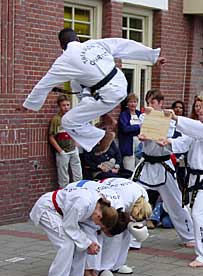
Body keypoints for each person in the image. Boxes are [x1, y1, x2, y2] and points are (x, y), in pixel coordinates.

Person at [23, 28, 165, 153]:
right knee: (76, 82)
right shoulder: (93, 44)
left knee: (68, 121)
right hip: (120, 82)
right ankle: (103, 115)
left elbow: (44, 83)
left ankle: (103, 135)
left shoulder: (65, 59)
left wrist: (28, 105)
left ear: (61, 46)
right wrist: (152, 57)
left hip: (108, 94)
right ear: (78, 39)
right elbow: (123, 44)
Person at [164, 98, 203, 267]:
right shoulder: (196, 130)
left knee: (198, 215)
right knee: (198, 213)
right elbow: (182, 143)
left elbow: (197, 129)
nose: (200, 110)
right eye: (199, 108)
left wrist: (176, 118)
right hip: (194, 177)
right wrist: (165, 142)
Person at [133, 89, 195, 247]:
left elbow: (177, 142)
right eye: (148, 103)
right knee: (135, 198)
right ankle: (133, 238)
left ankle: (188, 236)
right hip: (146, 164)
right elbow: (142, 134)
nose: (150, 106)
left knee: (175, 202)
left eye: (153, 102)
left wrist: (167, 141)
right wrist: (142, 137)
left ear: (160, 103)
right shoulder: (143, 118)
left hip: (164, 165)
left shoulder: (171, 121)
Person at [29, 187, 118, 276]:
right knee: (66, 244)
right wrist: (88, 243)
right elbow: (70, 227)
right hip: (47, 208)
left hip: (61, 213)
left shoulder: (98, 205)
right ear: (99, 216)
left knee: (79, 243)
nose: (96, 225)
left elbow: (83, 230)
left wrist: (89, 243)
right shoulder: (82, 204)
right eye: (98, 224)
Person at [49, 94, 82, 188]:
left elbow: (77, 131)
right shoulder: (56, 120)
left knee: (78, 174)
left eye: (68, 105)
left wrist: (77, 143)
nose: (66, 107)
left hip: (73, 149)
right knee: (63, 177)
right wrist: (60, 151)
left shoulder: (72, 118)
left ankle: (79, 191)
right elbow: (51, 137)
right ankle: (64, 194)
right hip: (63, 151)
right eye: (63, 105)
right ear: (59, 106)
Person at [118, 93, 142, 172]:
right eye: (131, 102)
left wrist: (132, 128)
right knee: (129, 168)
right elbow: (125, 129)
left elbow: (145, 128)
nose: (133, 104)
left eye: (135, 102)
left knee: (140, 167)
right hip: (128, 144)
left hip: (140, 142)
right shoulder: (123, 115)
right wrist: (138, 127)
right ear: (127, 103)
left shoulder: (140, 114)